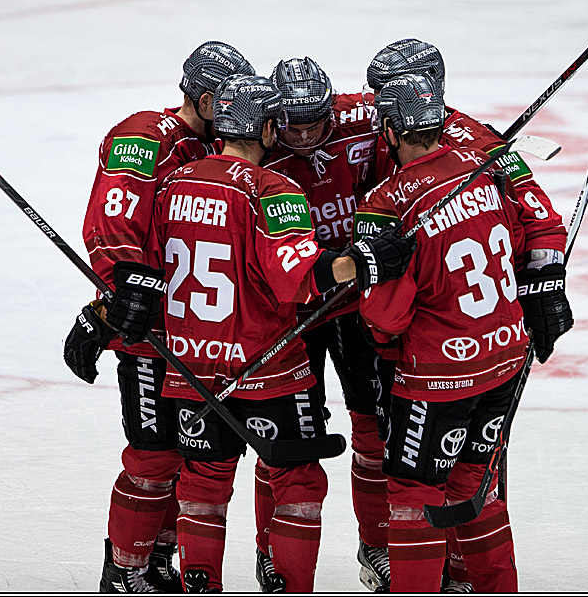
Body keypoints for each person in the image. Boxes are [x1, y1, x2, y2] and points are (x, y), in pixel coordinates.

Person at [100, 73, 417, 592]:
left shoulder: (174, 184)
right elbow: (301, 276)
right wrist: (365, 260)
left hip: (189, 366)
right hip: (267, 365)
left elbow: (145, 267)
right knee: (299, 480)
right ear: (269, 127)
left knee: (202, 482)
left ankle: (195, 584)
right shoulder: (275, 189)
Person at [364, 39, 572, 590]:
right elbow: (536, 221)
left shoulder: (387, 201)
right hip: (505, 352)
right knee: (476, 485)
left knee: (415, 492)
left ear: (390, 127)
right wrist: (543, 290)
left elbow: (386, 314)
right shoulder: (488, 159)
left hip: (437, 370)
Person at [61, 41, 256, 592]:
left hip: (202, 335)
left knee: (190, 460)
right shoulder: (146, 137)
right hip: (150, 335)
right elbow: (115, 221)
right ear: (205, 95)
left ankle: (157, 561)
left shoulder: (226, 147)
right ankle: (123, 571)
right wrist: (120, 291)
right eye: (230, 96)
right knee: (153, 458)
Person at [257, 56, 393, 592]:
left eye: (317, 122)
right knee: (284, 442)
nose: (309, 134)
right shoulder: (259, 145)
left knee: (374, 431)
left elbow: (429, 119)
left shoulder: (359, 115)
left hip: (357, 302)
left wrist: (485, 148)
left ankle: (377, 547)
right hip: (294, 310)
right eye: (295, 125)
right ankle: (269, 552)